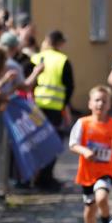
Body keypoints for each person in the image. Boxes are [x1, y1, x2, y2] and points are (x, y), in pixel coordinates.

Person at [68, 85, 112, 223]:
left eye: (104, 101)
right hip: (87, 174)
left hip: (106, 170)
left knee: (102, 197)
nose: (100, 104)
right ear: (90, 103)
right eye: (97, 100)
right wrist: (85, 151)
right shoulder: (83, 123)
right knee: (90, 209)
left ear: (109, 105)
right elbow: (72, 144)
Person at [31, 29, 74, 191]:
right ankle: (46, 178)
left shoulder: (35, 57)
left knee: (37, 142)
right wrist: (65, 106)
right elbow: (69, 86)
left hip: (34, 109)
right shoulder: (62, 60)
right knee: (53, 143)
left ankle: (36, 177)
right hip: (54, 109)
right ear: (60, 43)